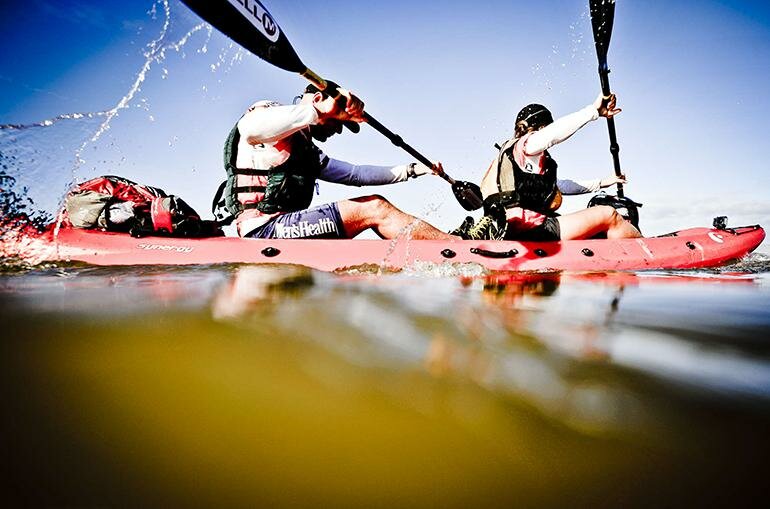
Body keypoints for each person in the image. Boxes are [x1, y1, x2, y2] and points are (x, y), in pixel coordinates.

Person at [219, 82, 459, 240]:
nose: (339, 130)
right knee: (374, 207)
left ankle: (445, 242)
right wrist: (318, 112)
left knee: (374, 203)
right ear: (317, 98)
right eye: (338, 121)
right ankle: (458, 245)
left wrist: (415, 170)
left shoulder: (307, 150)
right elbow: (250, 128)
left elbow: (357, 175)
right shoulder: (270, 115)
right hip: (263, 231)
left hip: (285, 229)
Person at [459, 93, 642, 241]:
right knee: (609, 215)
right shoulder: (528, 144)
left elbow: (559, 186)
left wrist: (602, 182)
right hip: (526, 226)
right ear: (541, 127)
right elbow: (551, 136)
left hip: (508, 224)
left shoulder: (509, 157)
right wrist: (593, 111)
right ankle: (646, 249)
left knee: (573, 221)